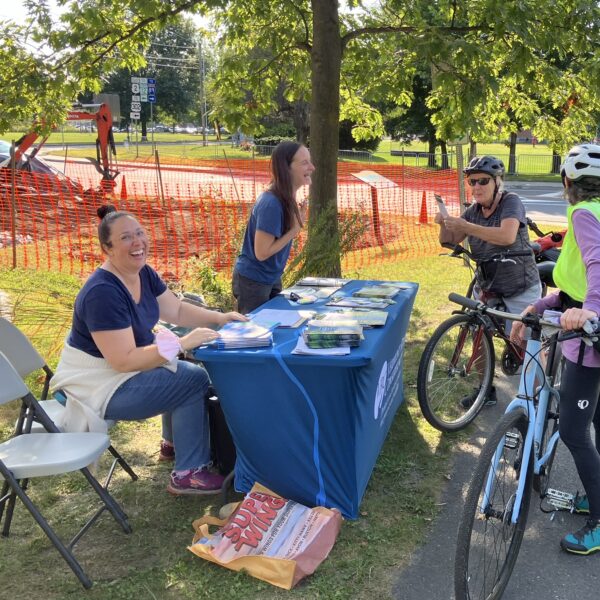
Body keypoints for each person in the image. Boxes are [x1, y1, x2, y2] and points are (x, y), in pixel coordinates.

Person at [50, 205, 247, 496]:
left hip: (117, 374)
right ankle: (188, 473)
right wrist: (180, 345)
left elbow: (176, 310)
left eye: (140, 233)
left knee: (177, 370)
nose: (138, 242)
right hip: (95, 387)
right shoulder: (102, 293)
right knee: (191, 378)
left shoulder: (143, 272)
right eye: (126, 237)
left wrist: (219, 317)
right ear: (108, 248)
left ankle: (173, 444)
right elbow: (124, 361)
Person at [510, 143, 600, 555]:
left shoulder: (583, 213)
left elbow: (598, 266)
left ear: (567, 183)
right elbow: (572, 285)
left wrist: (590, 311)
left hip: (590, 341)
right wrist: (543, 304)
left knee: (572, 430)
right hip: (589, 330)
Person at [435, 155, 542, 406]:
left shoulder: (511, 202)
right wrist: (444, 224)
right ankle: (484, 391)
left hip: (520, 287)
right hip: (488, 285)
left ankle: (537, 400)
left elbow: (506, 236)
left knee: (526, 346)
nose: (476, 187)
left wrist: (466, 225)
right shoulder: (472, 212)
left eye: (483, 181)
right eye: (472, 182)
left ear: (497, 182)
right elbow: (449, 240)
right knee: (477, 333)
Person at [232, 141, 314, 314]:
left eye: (310, 161)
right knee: (255, 335)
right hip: (253, 281)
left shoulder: (287, 197)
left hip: (271, 277)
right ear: (286, 168)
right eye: (304, 163)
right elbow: (261, 253)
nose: (312, 167)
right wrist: (294, 231)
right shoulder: (271, 203)